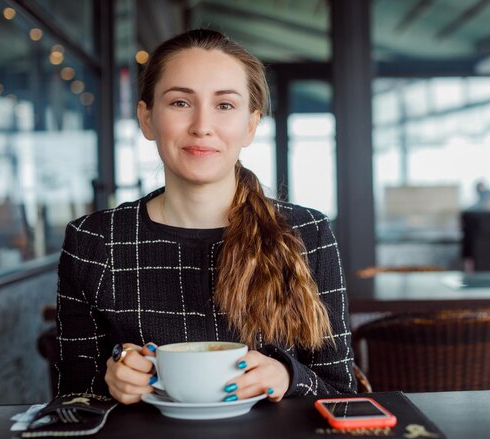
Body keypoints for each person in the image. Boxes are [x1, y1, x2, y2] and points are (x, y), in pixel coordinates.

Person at [54, 29, 356, 405]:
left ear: (250, 125)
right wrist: (111, 380)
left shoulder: (307, 232)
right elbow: (71, 398)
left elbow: (341, 394)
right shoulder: (93, 241)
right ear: (146, 118)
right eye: (180, 103)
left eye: (225, 106)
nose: (202, 125)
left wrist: (288, 376)